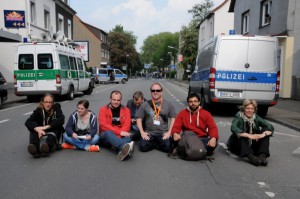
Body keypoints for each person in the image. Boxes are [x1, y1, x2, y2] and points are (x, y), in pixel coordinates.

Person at [227, 99, 274, 166]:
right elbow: (233, 128)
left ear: (254, 110)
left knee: (265, 130)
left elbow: (270, 126)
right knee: (241, 135)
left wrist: (262, 135)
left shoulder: (255, 117)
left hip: (252, 144)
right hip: (239, 145)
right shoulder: (238, 116)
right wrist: (249, 135)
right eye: (247, 108)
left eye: (252, 108)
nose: (250, 110)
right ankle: (250, 157)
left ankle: (262, 156)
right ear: (244, 109)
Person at [136, 82, 176, 152]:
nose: (155, 92)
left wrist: (169, 132)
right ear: (151, 92)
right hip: (149, 133)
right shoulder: (145, 104)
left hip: (163, 133)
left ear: (161, 92)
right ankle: (157, 144)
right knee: (143, 147)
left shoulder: (168, 104)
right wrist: (142, 132)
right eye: (153, 90)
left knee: (168, 147)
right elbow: (139, 118)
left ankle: (154, 144)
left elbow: (173, 118)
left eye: (158, 90)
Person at [25, 93, 65, 157]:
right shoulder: (39, 110)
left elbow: (61, 119)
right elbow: (28, 122)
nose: (48, 104)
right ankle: (34, 148)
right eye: (46, 102)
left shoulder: (56, 109)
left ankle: (46, 147)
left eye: (50, 102)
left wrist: (46, 127)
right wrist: (37, 129)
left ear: (52, 103)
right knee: (33, 128)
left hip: (51, 131)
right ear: (43, 102)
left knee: (56, 127)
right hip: (41, 132)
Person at [98, 90, 134, 161]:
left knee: (128, 136)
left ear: (121, 100)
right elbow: (104, 126)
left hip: (120, 135)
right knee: (108, 133)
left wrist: (116, 137)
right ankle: (124, 147)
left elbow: (127, 125)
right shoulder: (103, 110)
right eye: (114, 100)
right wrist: (119, 133)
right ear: (110, 99)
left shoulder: (126, 110)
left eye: (118, 100)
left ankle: (122, 150)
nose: (116, 102)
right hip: (106, 136)